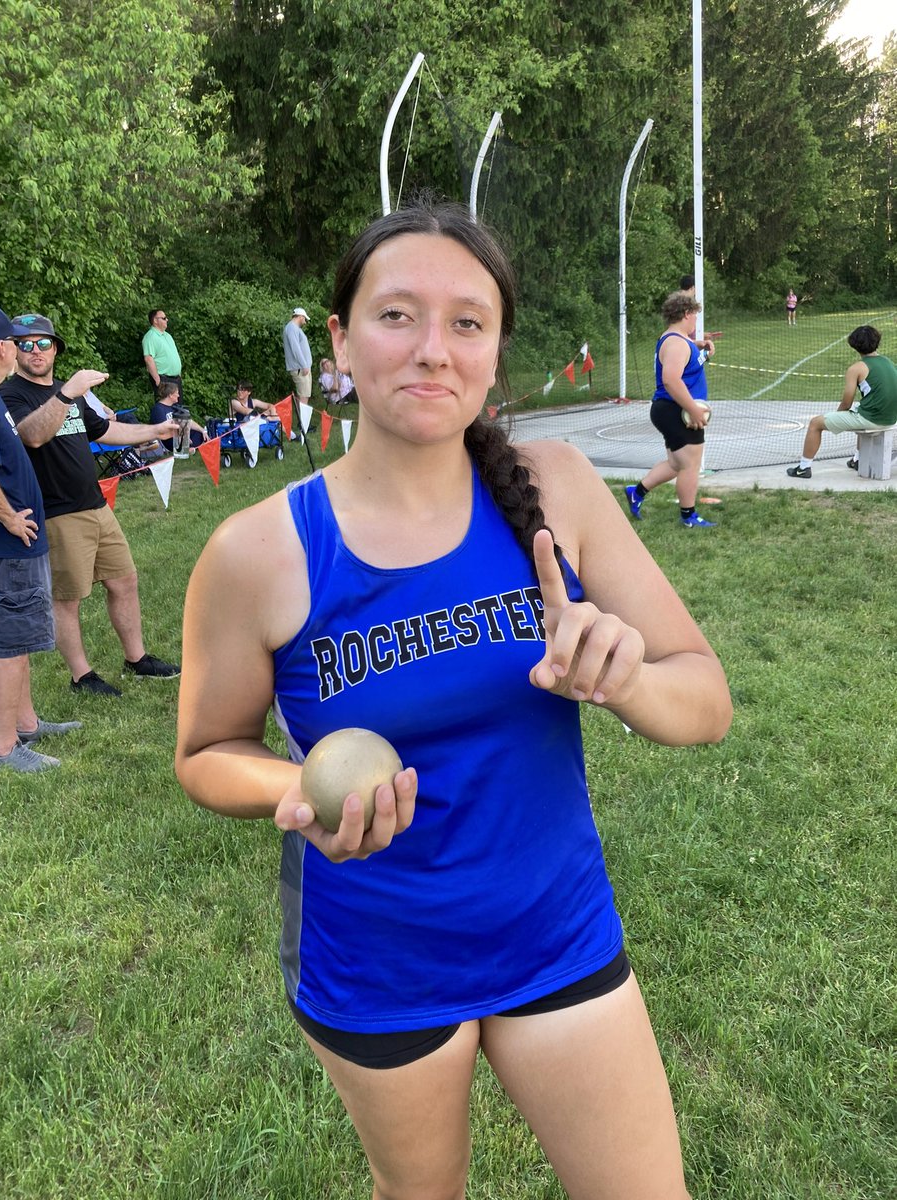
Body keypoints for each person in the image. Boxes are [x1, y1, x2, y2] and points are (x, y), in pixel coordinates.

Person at [176, 202, 732, 1199]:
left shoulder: (555, 489)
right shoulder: (257, 551)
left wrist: (627, 679)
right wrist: (291, 789)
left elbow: (706, 700)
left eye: (467, 323)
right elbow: (207, 749)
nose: (433, 350)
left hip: (556, 932)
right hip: (378, 963)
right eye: (397, 316)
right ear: (339, 340)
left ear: (495, 347)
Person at [3, 314, 180, 697]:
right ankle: (81, 677)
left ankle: (137, 659)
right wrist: (66, 394)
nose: (36, 351)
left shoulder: (73, 393)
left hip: (96, 504)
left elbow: (104, 430)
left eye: (43, 343)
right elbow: (32, 436)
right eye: (25, 344)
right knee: (67, 599)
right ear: (13, 351)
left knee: (124, 580)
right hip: (56, 512)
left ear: (56, 349)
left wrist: (155, 431)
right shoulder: (10, 395)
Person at [0, 308, 81, 772]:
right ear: (3, 348)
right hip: (9, 543)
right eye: (17, 341)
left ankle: (26, 724)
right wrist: (8, 516)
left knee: (21, 638)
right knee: (8, 644)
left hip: (22, 544)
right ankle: (5, 747)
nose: (25, 349)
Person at [625, 291, 717, 528]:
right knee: (690, 464)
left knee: (676, 464)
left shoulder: (677, 339)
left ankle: (637, 493)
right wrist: (693, 410)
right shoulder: (677, 343)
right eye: (695, 315)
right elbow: (671, 380)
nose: (696, 321)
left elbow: (685, 357)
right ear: (686, 314)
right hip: (677, 410)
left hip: (670, 409)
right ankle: (689, 516)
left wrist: (702, 347)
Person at [787, 325, 897, 478]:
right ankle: (857, 460)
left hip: (873, 420)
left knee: (815, 423)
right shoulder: (888, 362)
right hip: (891, 418)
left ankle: (803, 468)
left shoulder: (856, 368)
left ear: (855, 345)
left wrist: (836, 418)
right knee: (859, 409)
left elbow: (846, 402)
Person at [150, 381, 207, 452]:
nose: (178, 395)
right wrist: (181, 436)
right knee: (183, 438)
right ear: (170, 395)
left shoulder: (174, 407)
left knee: (198, 433)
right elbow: (163, 430)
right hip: (168, 439)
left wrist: (203, 430)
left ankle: (193, 446)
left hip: (179, 434)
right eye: (177, 393)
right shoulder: (158, 409)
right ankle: (188, 448)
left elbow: (188, 421)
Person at [142, 309, 184, 399]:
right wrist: (157, 380)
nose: (167, 320)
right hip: (164, 379)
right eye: (164, 318)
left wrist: (178, 374)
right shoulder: (150, 337)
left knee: (178, 410)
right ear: (155, 320)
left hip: (175, 379)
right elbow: (148, 359)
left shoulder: (167, 336)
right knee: (166, 410)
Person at [283, 307, 312, 399]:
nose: (305, 321)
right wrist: (304, 365)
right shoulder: (291, 328)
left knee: (304, 395)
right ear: (300, 317)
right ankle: (303, 414)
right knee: (304, 396)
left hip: (302, 368)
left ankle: (302, 414)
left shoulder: (295, 328)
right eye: (305, 319)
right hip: (300, 368)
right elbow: (295, 349)